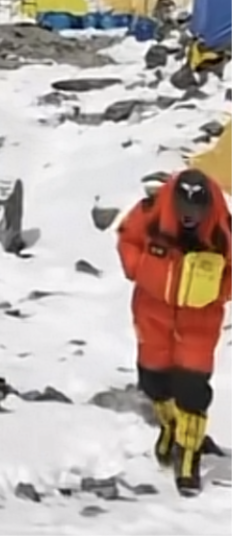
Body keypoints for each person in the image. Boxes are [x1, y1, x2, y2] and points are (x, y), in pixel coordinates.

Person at [116, 168, 232, 495]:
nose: (190, 218)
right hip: (153, 314)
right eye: (185, 210)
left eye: (197, 211)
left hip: (199, 322)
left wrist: (219, 290)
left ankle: (189, 455)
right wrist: (140, 269)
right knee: (153, 380)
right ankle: (170, 427)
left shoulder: (223, 230)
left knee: (192, 390)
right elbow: (127, 238)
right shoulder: (151, 213)